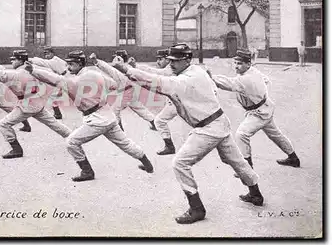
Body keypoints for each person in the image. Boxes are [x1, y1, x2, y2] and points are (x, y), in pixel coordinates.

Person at [113, 43, 264, 224]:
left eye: (175, 61)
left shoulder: (187, 79)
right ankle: (256, 194)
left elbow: (158, 82)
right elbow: (162, 73)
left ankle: (197, 208)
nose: (171, 64)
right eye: (170, 61)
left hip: (208, 128)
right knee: (235, 160)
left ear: (186, 60)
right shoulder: (191, 70)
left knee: (180, 163)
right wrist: (134, 67)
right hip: (218, 123)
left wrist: (126, 69)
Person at [24, 50, 154, 182]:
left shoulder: (75, 80)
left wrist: (33, 70)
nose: (68, 67)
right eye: (68, 64)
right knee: (125, 143)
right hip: (108, 114)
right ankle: (147, 164)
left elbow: (54, 79)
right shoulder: (94, 73)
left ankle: (87, 171)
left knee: (71, 142)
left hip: (96, 120)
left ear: (80, 64)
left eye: (71, 64)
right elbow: (114, 85)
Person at [211, 49, 300, 172]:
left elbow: (229, 83)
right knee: (275, 135)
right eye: (235, 63)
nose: (236, 66)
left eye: (240, 63)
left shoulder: (245, 79)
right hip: (264, 108)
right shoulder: (253, 72)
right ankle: (293, 158)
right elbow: (266, 79)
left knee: (242, 134)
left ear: (248, 64)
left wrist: (210, 77)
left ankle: (247, 168)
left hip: (259, 113)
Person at [0, 50, 72, 159]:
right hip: (37, 101)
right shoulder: (33, 70)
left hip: (26, 104)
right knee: (54, 124)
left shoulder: (18, 74)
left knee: (4, 124)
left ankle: (17, 150)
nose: (12, 61)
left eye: (14, 59)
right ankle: (72, 137)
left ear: (20, 60)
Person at [88, 50, 156, 133]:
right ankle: (154, 123)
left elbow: (107, 68)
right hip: (131, 90)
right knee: (140, 108)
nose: (114, 59)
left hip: (125, 92)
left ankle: (119, 131)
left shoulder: (119, 69)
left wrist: (96, 61)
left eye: (116, 57)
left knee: (115, 110)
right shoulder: (127, 68)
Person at [128, 49, 179, 155]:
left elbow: (154, 72)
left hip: (177, 102)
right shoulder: (173, 67)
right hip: (176, 101)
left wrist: (136, 66)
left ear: (167, 59)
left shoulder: (169, 69)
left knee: (159, 121)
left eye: (160, 59)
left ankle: (170, 147)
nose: (158, 62)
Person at [29, 46, 67, 119]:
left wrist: (31, 59)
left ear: (52, 53)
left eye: (48, 53)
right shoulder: (55, 60)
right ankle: (57, 114)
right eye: (45, 54)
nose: (46, 56)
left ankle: (58, 114)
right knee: (53, 96)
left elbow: (44, 63)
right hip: (64, 79)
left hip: (66, 79)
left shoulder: (54, 61)